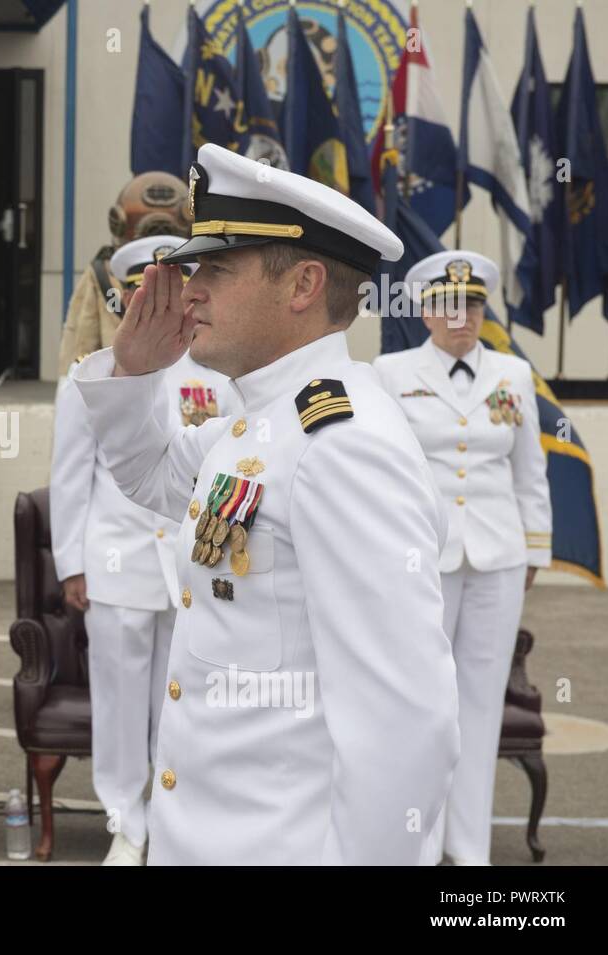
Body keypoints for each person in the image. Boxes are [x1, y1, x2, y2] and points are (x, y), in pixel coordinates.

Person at [68, 143, 460, 864]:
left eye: (216, 267)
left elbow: (402, 725)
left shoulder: (341, 445)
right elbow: (150, 471)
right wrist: (132, 372)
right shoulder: (261, 425)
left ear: (304, 282)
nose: (189, 291)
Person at [51, 235, 231, 865]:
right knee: (121, 700)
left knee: (180, 698)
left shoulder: (214, 371)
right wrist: (71, 563)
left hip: (192, 566)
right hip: (118, 560)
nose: (155, 300)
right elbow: (71, 474)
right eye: (139, 290)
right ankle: (126, 821)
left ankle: (173, 817)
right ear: (124, 297)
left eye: (170, 285)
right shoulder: (91, 373)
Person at [373, 250, 551, 866]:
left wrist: (535, 548)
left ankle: (469, 849)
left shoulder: (512, 375)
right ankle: (418, 846)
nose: (461, 317)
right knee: (426, 705)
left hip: (498, 557)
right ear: (424, 309)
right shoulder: (389, 373)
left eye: (471, 304)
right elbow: (383, 472)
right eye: (448, 306)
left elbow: (530, 470)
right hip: (424, 558)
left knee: (479, 707)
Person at [56, 171, 190, 375]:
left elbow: (80, 337)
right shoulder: (101, 277)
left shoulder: (104, 277)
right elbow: (81, 339)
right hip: (118, 380)